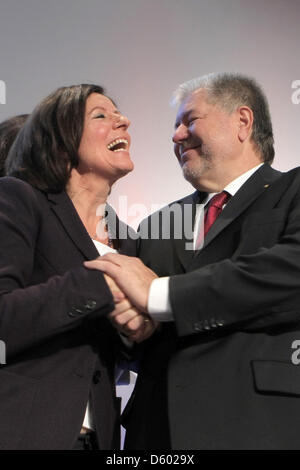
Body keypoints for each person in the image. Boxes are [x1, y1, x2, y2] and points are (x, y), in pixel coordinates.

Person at [86, 73, 300, 450]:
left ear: (242, 121)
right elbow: (128, 338)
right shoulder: (154, 225)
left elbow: (289, 272)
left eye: (189, 120)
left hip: (260, 424)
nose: (177, 136)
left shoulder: (292, 191)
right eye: (176, 126)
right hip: (155, 433)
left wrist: (158, 295)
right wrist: (129, 326)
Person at [0, 84, 153, 450]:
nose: (123, 121)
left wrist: (139, 333)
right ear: (61, 137)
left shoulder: (130, 243)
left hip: (97, 439)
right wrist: (101, 282)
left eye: (120, 114)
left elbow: (121, 354)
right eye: (101, 115)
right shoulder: (19, 198)